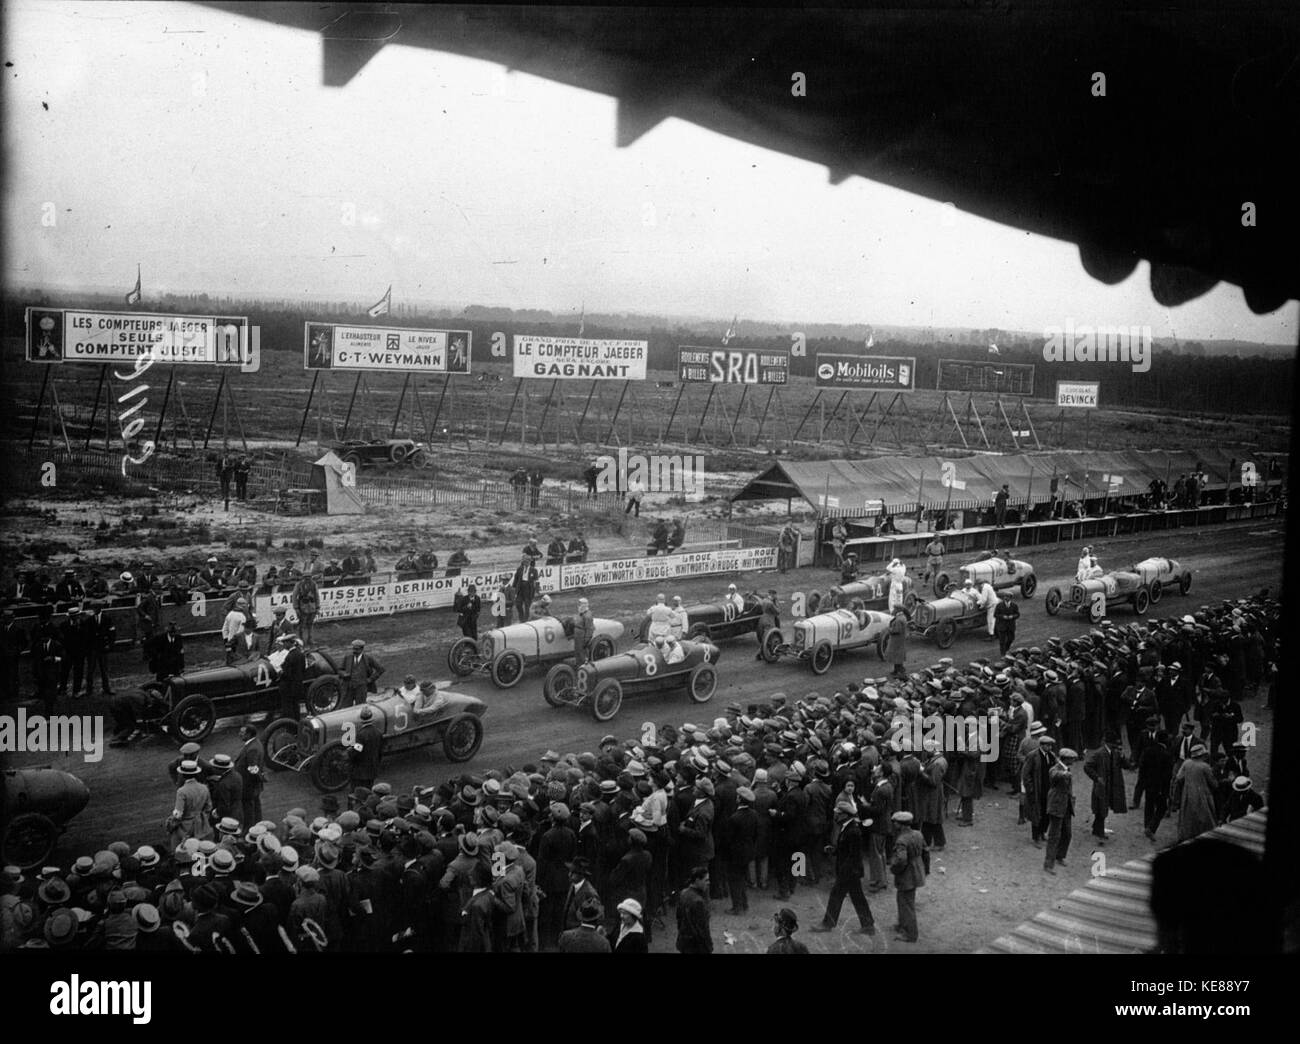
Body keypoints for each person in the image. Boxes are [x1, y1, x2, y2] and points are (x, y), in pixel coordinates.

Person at [810, 801, 875, 935]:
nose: (835, 815)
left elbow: (854, 855)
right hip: (852, 872)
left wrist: (843, 873)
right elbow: (846, 850)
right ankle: (868, 925)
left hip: (848, 872)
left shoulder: (853, 831)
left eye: (838, 813)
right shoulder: (848, 827)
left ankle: (828, 924)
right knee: (858, 898)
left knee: (836, 895)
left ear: (845, 815)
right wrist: (833, 850)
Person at [1083, 733, 1127, 843]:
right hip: (1102, 785)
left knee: (1104, 806)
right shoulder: (1099, 753)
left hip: (1112, 785)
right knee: (1101, 807)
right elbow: (1087, 766)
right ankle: (1100, 831)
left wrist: (1123, 757)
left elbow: (1126, 765)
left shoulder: (1115, 753)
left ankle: (1096, 828)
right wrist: (1097, 778)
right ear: (1108, 743)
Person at [889, 811, 926, 943]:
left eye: (896, 822)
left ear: (901, 825)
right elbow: (925, 852)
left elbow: (901, 860)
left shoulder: (901, 840)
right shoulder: (918, 834)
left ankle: (910, 934)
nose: (894, 824)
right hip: (917, 871)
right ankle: (902, 925)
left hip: (906, 875)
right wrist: (925, 870)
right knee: (903, 900)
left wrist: (894, 869)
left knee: (906, 904)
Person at [1173, 742, 1217, 842]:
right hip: (1202, 794)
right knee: (1205, 816)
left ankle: (1186, 835)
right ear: (1203, 755)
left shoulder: (1186, 763)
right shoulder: (1204, 766)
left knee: (1187, 816)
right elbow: (1213, 783)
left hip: (1187, 793)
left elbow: (1178, 778)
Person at [1043, 747, 1077, 874]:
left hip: (1066, 806)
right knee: (1054, 836)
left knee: (1067, 834)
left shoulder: (1066, 769)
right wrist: (1064, 774)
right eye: (1072, 759)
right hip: (1057, 806)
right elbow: (1054, 775)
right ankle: (1048, 864)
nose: (1073, 760)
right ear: (1066, 759)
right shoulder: (1056, 769)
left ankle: (1060, 856)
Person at [167, 761, 213, 848]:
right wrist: (202, 817)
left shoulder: (182, 791)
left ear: (182, 775)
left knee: (178, 846)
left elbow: (178, 814)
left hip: (185, 827)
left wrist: (171, 825)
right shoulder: (204, 788)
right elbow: (208, 807)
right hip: (201, 825)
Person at [675, 865, 713, 954]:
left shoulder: (683, 893)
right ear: (697, 880)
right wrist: (708, 947)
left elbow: (679, 919)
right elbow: (702, 929)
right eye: (706, 880)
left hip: (684, 942)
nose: (708, 883)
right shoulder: (698, 901)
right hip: (696, 946)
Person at [347, 705, 384, 791]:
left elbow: (357, 751)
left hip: (360, 771)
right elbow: (380, 751)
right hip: (372, 769)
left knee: (357, 792)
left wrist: (349, 753)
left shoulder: (361, 734)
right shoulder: (378, 732)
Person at [339, 639, 384, 709]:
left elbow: (380, 669)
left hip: (361, 689)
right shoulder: (347, 658)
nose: (354, 651)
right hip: (348, 688)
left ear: (362, 649)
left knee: (359, 708)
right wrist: (344, 674)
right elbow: (339, 670)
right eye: (353, 649)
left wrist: (370, 679)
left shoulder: (368, 659)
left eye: (357, 649)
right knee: (345, 708)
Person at [292, 573, 320, 646]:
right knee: (302, 624)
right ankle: (301, 639)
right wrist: (296, 608)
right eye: (305, 577)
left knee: (310, 624)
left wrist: (317, 607)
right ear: (303, 577)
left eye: (309, 577)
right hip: (302, 606)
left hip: (312, 606)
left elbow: (317, 596)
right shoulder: (299, 584)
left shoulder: (313, 584)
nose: (307, 578)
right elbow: (294, 596)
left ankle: (310, 639)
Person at [884, 607, 908, 678]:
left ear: (897, 610)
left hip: (896, 640)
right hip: (899, 640)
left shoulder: (899, 620)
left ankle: (900, 671)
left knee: (897, 656)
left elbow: (896, 630)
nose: (893, 610)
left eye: (894, 609)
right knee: (897, 656)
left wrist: (889, 629)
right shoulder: (902, 617)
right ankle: (896, 670)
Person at [512, 557, 538, 622]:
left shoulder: (534, 570)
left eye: (527, 561)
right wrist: (514, 588)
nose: (526, 563)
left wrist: (536, 591)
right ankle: (521, 618)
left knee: (527, 606)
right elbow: (516, 579)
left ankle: (526, 620)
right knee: (518, 604)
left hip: (528, 589)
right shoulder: (519, 569)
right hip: (520, 588)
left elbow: (536, 581)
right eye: (524, 561)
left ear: (530, 562)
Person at [994, 590, 1020, 654]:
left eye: (1007, 597)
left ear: (1010, 598)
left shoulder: (1014, 605)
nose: (1006, 598)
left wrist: (1012, 616)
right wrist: (1003, 617)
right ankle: (1003, 653)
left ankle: (1006, 648)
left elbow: (1017, 614)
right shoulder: (999, 605)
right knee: (1002, 640)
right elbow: (995, 615)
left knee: (1011, 639)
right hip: (1002, 625)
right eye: (1005, 596)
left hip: (1011, 625)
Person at [573, 598, 595, 666]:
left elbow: (589, 629)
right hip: (578, 635)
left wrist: (586, 640)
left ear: (584, 605)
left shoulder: (587, 615)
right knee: (577, 651)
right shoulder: (581, 613)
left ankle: (583, 666)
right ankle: (578, 664)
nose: (578, 605)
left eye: (580, 604)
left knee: (581, 652)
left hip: (582, 636)